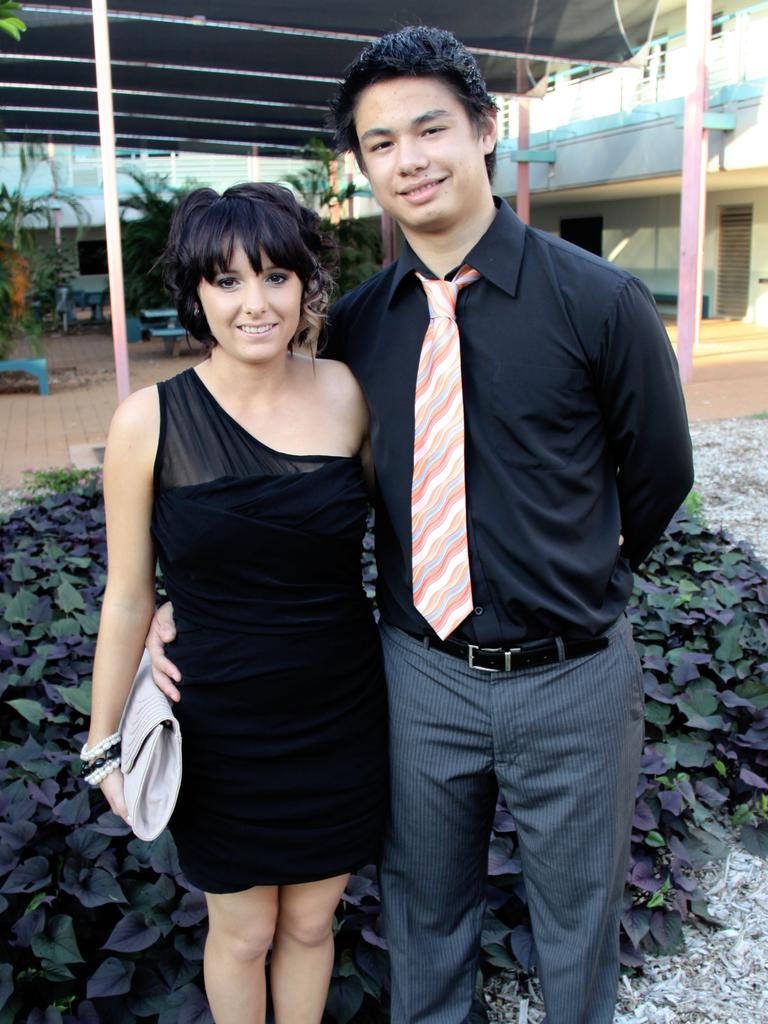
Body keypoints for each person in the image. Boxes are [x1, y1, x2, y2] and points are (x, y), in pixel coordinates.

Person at [148, 26, 694, 1024]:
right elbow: (282, 473)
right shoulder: (357, 325)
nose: (409, 159)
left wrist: (580, 573)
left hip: (571, 676)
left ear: (485, 130)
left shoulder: (599, 301)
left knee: (577, 920)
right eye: (381, 142)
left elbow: (659, 470)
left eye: (430, 128)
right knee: (424, 915)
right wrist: (173, 603)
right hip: (419, 673)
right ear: (364, 166)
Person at [82, 182, 387, 1024]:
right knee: (246, 930)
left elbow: (405, 542)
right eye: (227, 281)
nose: (255, 304)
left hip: (341, 709)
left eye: (276, 277)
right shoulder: (149, 420)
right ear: (196, 295)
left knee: (314, 920)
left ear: (304, 286)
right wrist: (103, 742)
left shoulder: (349, 396)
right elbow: (129, 596)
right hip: (220, 722)